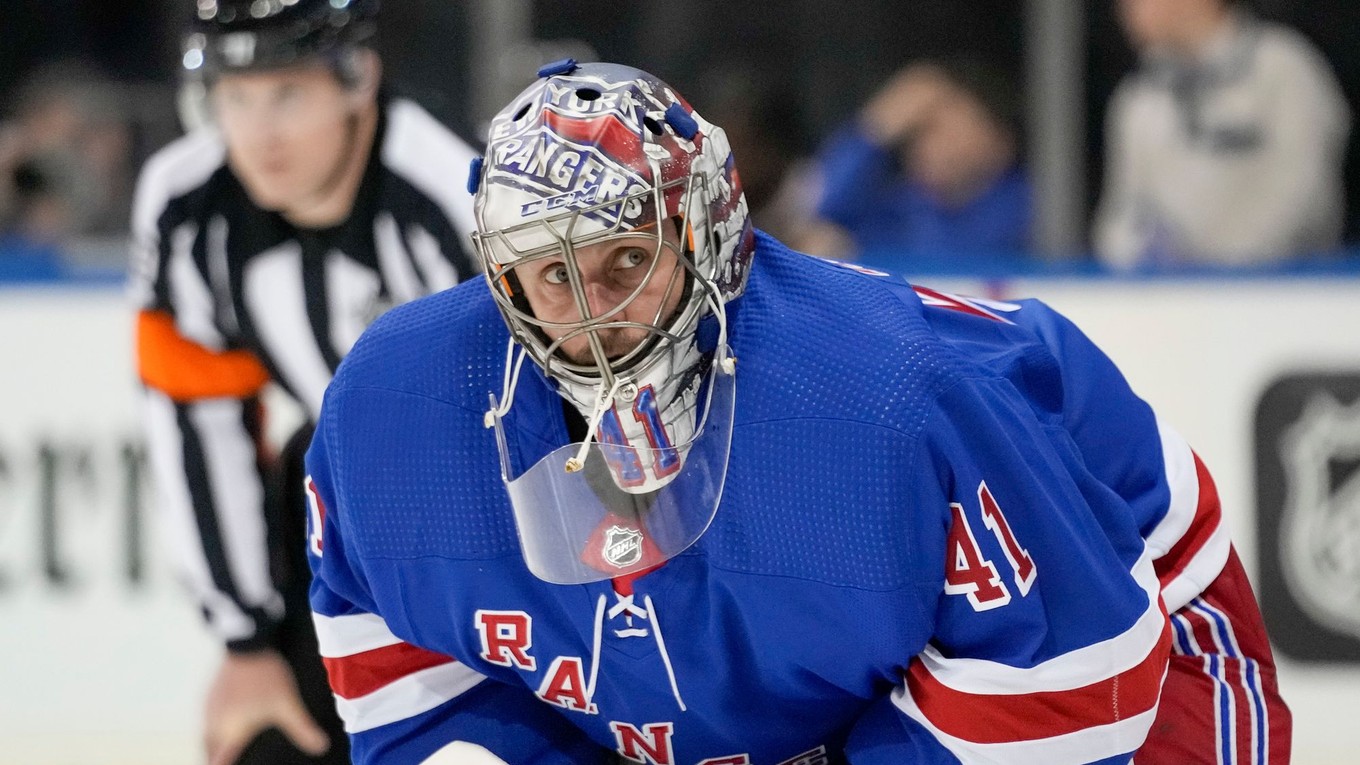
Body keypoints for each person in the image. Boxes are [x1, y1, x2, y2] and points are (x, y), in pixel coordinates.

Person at [305, 61, 1287, 763]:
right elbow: (398, 664)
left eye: (621, 263)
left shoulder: (894, 400)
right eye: (547, 275)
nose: (589, 314)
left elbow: (1074, 685)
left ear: (708, 238)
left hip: (1140, 643)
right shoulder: (395, 405)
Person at [128, 1, 480, 763]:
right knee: (267, 740)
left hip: (497, 538)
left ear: (359, 80)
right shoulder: (188, 205)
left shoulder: (455, 197)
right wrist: (245, 641)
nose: (260, 133)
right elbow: (197, 424)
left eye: (286, 93)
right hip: (341, 506)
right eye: (235, 97)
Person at [1094, 0, 1350, 268]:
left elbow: (1303, 191)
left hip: (1287, 289)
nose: (1127, 8)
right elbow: (1121, 214)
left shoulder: (1283, 67)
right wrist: (1136, 254)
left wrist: (1223, 264)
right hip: (1173, 296)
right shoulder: (1139, 96)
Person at [799, 58, 1032, 267]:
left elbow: (954, 263)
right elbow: (813, 206)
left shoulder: (1028, 205)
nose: (930, 147)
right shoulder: (897, 210)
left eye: (943, 129)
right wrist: (875, 127)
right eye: (916, 132)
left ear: (1000, 139)